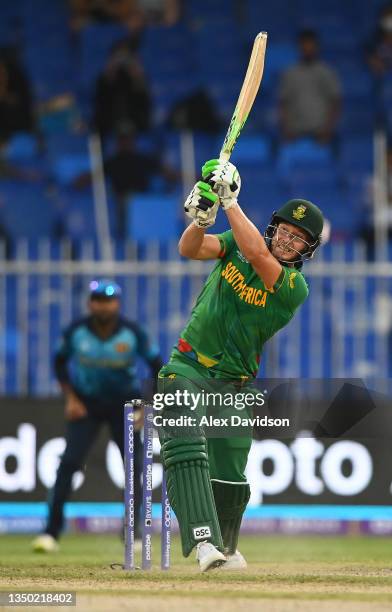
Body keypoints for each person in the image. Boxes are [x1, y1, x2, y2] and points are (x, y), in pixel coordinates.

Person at [157, 159, 324, 571]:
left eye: (297, 238)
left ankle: (226, 548)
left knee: (231, 472)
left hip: (233, 384)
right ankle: (204, 545)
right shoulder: (236, 241)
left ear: (307, 250)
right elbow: (190, 249)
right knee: (186, 443)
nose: (287, 241)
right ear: (273, 229)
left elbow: (255, 253)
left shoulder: (292, 287)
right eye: (284, 230)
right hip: (188, 364)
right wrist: (201, 218)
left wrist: (229, 200)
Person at [32, 279, 162, 552]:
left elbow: (157, 367)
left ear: (117, 304)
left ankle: (132, 531)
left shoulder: (132, 333)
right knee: (68, 464)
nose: (103, 306)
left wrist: (145, 406)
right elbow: (59, 363)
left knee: (134, 468)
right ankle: (50, 532)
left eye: (109, 300)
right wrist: (71, 399)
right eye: (98, 300)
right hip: (87, 404)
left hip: (124, 406)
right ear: (91, 303)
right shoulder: (77, 332)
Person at [279, 30, 341, 144]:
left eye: (310, 44)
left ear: (317, 46)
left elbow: (336, 103)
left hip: (321, 134)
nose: (307, 48)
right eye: (304, 44)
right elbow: (283, 104)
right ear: (299, 47)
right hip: (295, 134)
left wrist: (328, 130)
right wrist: (286, 129)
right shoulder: (290, 73)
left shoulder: (326, 72)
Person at [93, 40, 151, 137]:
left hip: (135, 119)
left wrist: (136, 74)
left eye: (126, 57)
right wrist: (110, 71)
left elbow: (144, 100)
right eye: (119, 56)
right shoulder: (105, 77)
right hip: (110, 120)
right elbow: (101, 100)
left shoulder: (137, 76)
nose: (122, 60)